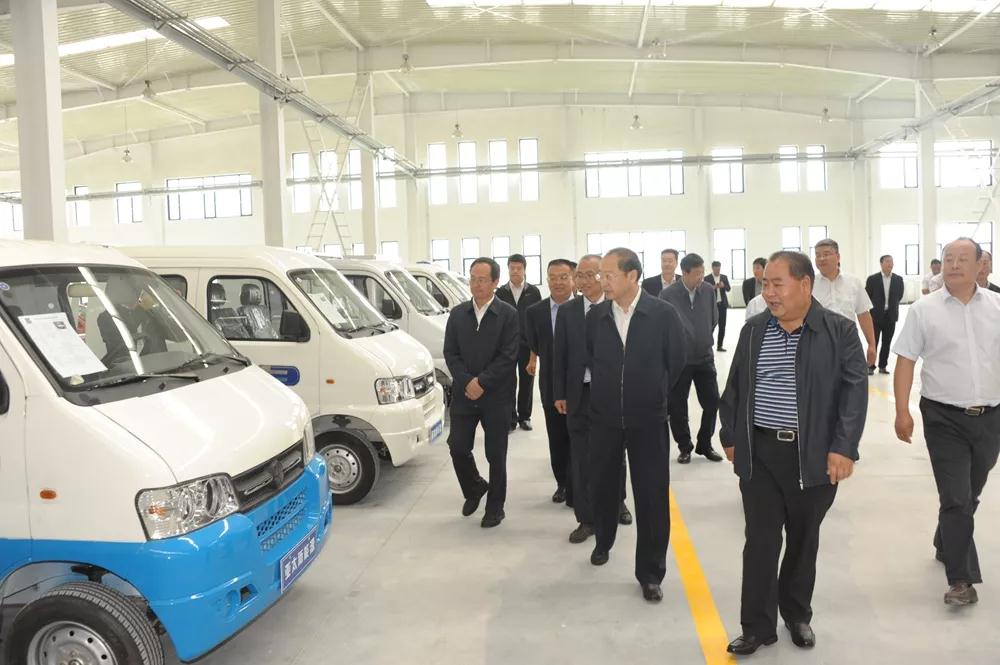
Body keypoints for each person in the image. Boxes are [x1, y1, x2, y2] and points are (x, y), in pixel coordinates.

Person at [720, 250, 867, 656]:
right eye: (765, 284)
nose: (768, 292)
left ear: (804, 285)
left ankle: (797, 614)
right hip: (760, 453)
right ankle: (756, 627)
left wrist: (843, 447)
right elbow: (734, 387)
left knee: (803, 539)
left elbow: (854, 394)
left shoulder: (838, 331)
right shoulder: (754, 330)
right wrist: (730, 434)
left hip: (813, 453)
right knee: (760, 540)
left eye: (777, 284)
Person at [893, 237, 1000, 606]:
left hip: (990, 417)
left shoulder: (997, 307)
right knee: (955, 496)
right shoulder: (924, 310)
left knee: (970, 493)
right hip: (943, 417)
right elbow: (906, 360)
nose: (954, 264)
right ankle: (961, 580)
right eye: (948, 258)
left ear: (980, 264)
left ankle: (946, 540)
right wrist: (902, 410)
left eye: (962, 259)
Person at [587, 248, 687, 603]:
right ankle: (603, 540)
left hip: (648, 420)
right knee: (603, 485)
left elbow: (676, 362)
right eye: (601, 275)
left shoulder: (662, 314)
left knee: (651, 496)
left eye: (609, 275)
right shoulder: (597, 317)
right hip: (605, 420)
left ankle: (650, 573)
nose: (602, 281)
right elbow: (592, 360)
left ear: (632, 276)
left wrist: (653, 393)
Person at [553, 255, 632, 544]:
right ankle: (586, 519)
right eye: (581, 275)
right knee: (581, 458)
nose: (585, 281)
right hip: (578, 394)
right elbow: (559, 355)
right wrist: (560, 393)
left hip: (610, 394)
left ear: (604, 276)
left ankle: (618, 502)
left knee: (615, 453)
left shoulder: (616, 309)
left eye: (592, 274)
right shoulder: (568, 311)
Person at [443, 258, 520, 529]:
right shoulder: (458, 314)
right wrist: (467, 382)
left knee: (496, 454)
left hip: (497, 396)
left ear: (495, 282)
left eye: (483, 280)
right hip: (465, 394)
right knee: (457, 446)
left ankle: (495, 507)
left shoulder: (508, 314)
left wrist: (483, 382)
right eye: (473, 279)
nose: (476, 284)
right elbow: (450, 353)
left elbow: (508, 356)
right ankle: (474, 486)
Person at [661, 253, 724, 464]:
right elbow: (664, 327)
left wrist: (703, 337)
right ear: (685, 273)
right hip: (679, 360)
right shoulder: (668, 294)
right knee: (677, 406)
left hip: (704, 357)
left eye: (702, 272)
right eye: (697, 273)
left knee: (712, 402)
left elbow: (714, 318)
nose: (701, 277)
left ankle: (704, 443)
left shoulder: (707, 290)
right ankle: (684, 446)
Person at [526, 259, 577, 505]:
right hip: (551, 384)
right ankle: (563, 484)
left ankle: (581, 484)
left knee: (582, 438)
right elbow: (535, 344)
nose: (558, 282)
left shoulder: (587, 308)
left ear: (573, 279)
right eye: (553, 277)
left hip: (583, 384)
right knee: (557, 438)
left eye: (563, 277)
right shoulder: (535, 312)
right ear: (547, 280)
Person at [812, 239, 877, 371]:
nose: (821, 258)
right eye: (818, 255)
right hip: (819, 344)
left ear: (838, 256)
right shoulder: (809, 284)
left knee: (852, 379)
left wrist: (871, 344)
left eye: (826, 254)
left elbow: (863, 314)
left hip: (849, 343)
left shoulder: (853, 282)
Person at [495, 253, 542, 432]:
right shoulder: (501, 292)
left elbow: (537, 321)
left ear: (524, 269)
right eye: (512, 268)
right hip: (506, 345)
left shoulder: (533, 292)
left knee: (527, 381)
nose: (515, 271)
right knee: (508, 382)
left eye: (519, 268)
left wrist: (535, 350)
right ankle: (510, 419)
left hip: (527, 345)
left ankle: (525, 417)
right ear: (508, 269)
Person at [865, 254, 904, 375]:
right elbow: (867, 296)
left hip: (891, 316)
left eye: (891, 261)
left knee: (887, 342)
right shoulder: (872, 279)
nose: (890, 264)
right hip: (876, 316)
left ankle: (883, 366)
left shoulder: (898, 279)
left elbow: (899, 295)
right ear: (881, 263)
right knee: (873, 342)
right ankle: (870, 366)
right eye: (887, 261)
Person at [705, 260, 731, 352]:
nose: (717, 271)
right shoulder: (707, 278)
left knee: (722, 326)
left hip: (722, 305)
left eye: (719, 269)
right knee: (711, 326)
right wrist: (713, 288)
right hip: (712, 306)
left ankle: (720, 346)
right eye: (716, 269)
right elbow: (704, 291)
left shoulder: (724, 277)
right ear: (712, 268)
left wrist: (724, 286)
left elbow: (729, 289)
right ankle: (708, 345)